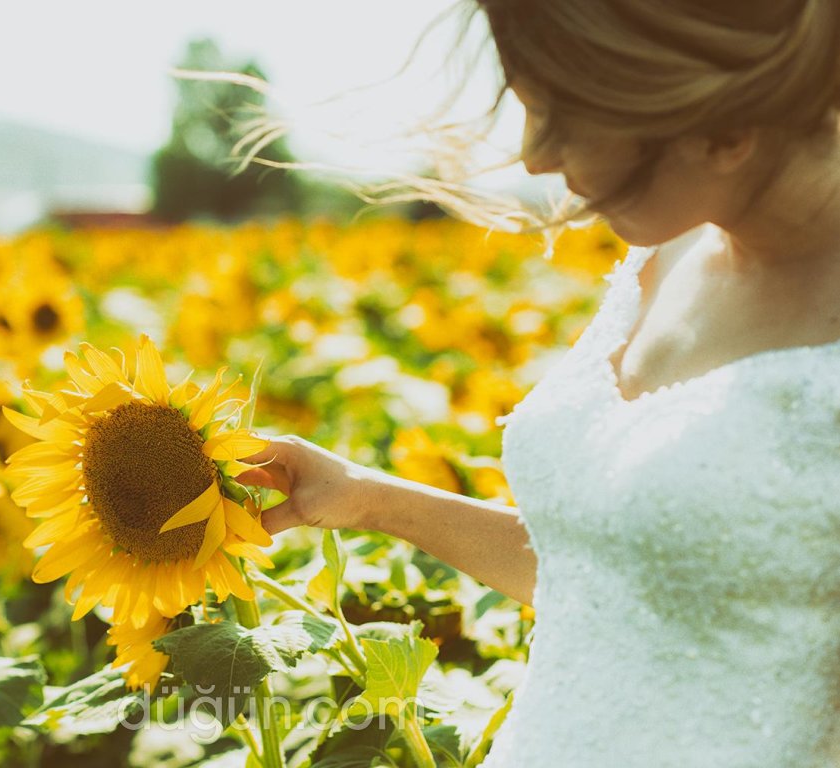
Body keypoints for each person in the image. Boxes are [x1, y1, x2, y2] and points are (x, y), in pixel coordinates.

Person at [238, 1, 840, 765]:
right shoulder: (670, 254)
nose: (531, 157)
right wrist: (368, 497)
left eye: (555, 116)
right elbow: (616, 583)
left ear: (720, 132)